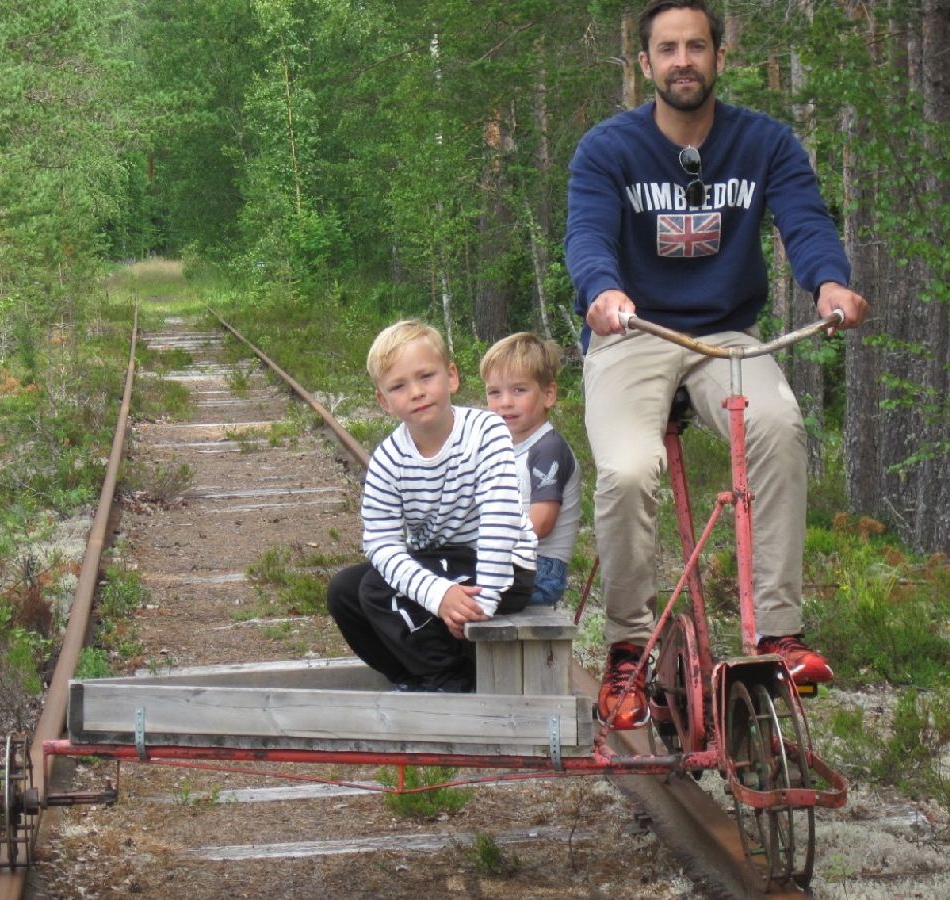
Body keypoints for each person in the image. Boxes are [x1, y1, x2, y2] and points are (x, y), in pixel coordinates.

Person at [564, 0, 869, 728]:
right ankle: (628, 650)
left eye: (696, 47)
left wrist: (830, 281)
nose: (682, 61)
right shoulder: (607, 149)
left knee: (778, 425)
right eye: (666, 49)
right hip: (631, 332)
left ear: (719, 58)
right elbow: (587, 238)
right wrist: (602, 293)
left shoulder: (764, 143)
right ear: (645, 64)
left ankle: (779, 633)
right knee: (630, 469)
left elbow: (806, 220)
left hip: (727, 336)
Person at [326, 319, 537, 692]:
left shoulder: (486, 432)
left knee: (376, 588)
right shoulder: (388, 458)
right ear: (384, 401)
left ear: (451, 377)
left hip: (501, 569)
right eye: (399, 386)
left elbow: (499, 520)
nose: (417, 392)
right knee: (345, 590)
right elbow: (381, 543)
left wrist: (484, 601)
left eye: (426, 376)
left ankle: (453, 683)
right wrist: (437, 595)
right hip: (441, 566)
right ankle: (417, 679)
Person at [481, 332, 582, 607]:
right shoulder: (504, 448)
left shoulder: (547, 449)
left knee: (448, 587)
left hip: (540, 568)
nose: (505, 403)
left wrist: (486, 543)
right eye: (495, 392)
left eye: (519, 390)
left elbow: (542, 523)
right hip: (512, 561)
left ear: (548, 394)